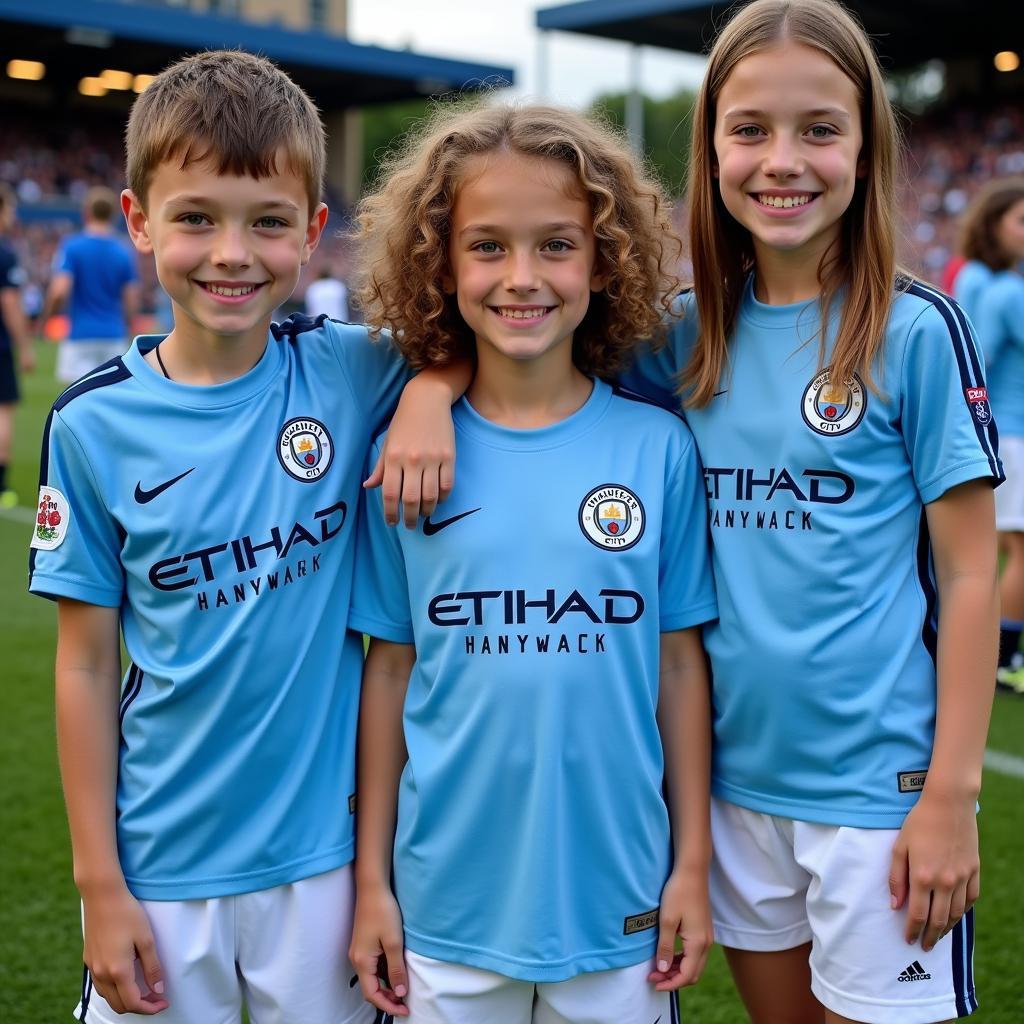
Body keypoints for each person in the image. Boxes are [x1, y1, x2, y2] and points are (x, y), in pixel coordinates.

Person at [28, 49, 466, 1024]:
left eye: (267, 222)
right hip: (161, 863)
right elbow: (86, 667)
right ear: (140, 222)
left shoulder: (350, 373)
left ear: (312, 233)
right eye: (196, 219)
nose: (232, 252)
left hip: (324, 865)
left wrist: (431, 393)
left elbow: (476, 344)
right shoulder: (93, 426)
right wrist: (99, 883)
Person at [617, 1, 1001, 1021]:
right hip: (732, 794)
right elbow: (510, 363)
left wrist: (949, 796)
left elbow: (969, 573)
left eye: (818, 130)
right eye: (749, 130)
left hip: (878, 792)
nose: (781, 159)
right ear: (709, 148)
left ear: (867, 147)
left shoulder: (915, 331)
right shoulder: (678, 336)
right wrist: (430, 394)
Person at [347, 103, 718, 1023]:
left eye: (557, 245)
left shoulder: (657, 450)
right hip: (444, 914)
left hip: (621, 907)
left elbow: (679, 666)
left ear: (605, 260)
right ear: (442, 265)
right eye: (487, 248)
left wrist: (694, 868)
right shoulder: (403, 461)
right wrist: (372, 885)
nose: (522, 277)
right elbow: (389, 673)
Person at [955, 178, 1024, 692]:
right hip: (1013, 435)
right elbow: (978, 363)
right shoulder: (1006, 291)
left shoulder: (994, 286)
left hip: (1001, 433)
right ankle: (1003, 660)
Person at [42, 185, 140, 383]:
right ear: (114, 213)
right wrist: (128, 325)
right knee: (112, 401)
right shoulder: (123, 251)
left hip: (80, 335)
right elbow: (131, 300)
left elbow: (59, 291)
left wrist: (45, 320)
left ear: (86, 213)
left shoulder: (72, 246)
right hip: (113, 335)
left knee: (76, 405)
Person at [0, 183, 35, 508]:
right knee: (3, 413)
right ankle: (0, 487)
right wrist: (25, 346)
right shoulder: (5, 252)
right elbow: (10, 303)